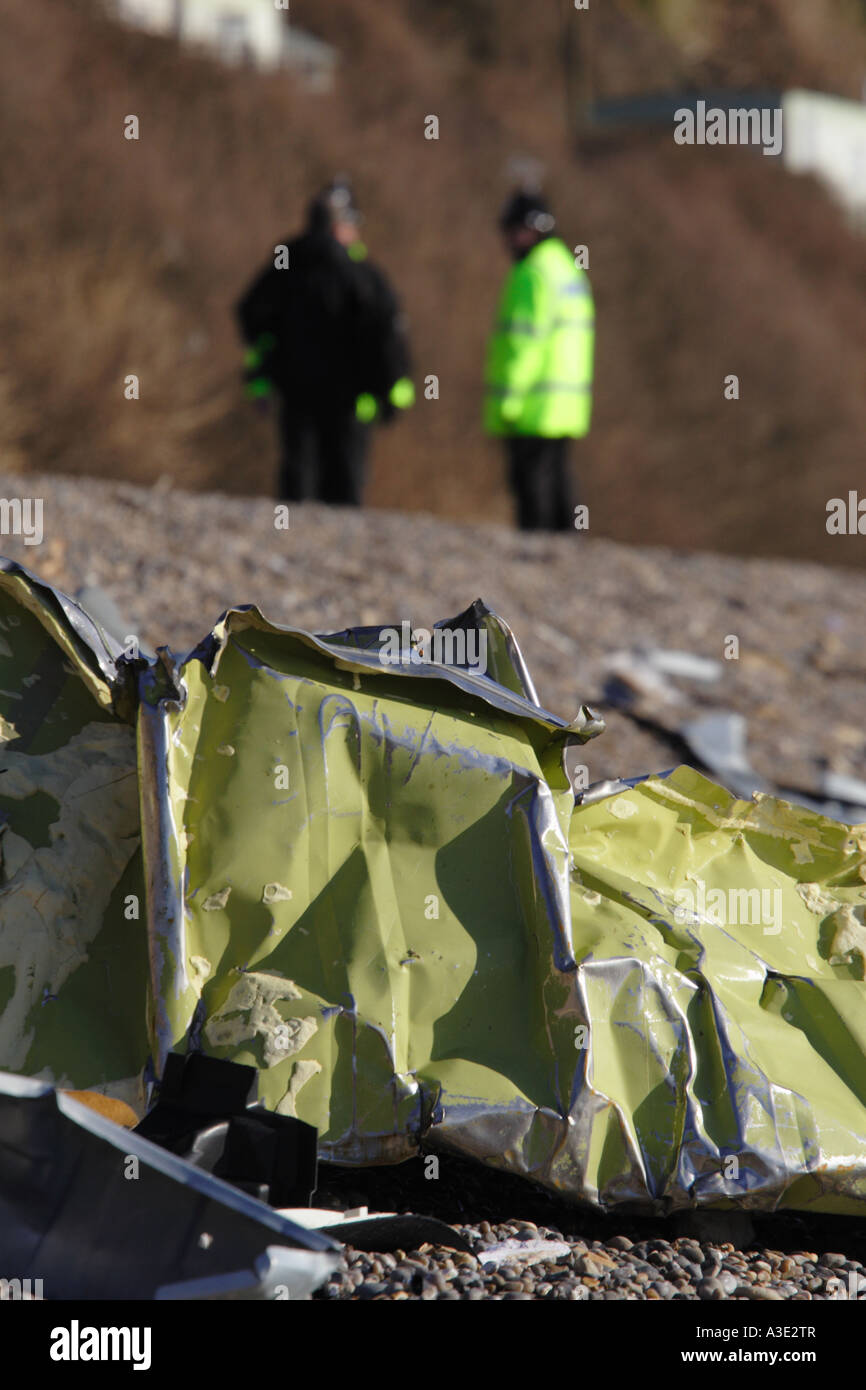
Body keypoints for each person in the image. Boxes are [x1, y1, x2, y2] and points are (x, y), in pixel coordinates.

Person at [236, 178, 414, 505]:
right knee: (344, 486)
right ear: (342, 226)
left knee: (297, 479)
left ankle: (293, 544)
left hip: (294, 391)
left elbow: (250, 313)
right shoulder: (361, 274)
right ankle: (339, 551)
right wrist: (393, 391)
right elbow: (386, 334)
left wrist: (261, 375)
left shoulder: (285, 261)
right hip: (350, 401)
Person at [484, 189, 595, 532]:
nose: (508, 241)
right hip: (566, 405)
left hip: (532, 405)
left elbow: (523, 343)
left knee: (532, 493)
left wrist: (508, 400)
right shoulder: (566, 268)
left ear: (531, 230)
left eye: (513, 231)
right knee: (559, 484)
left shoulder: (532, 274)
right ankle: (566, 559)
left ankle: (538, 564)